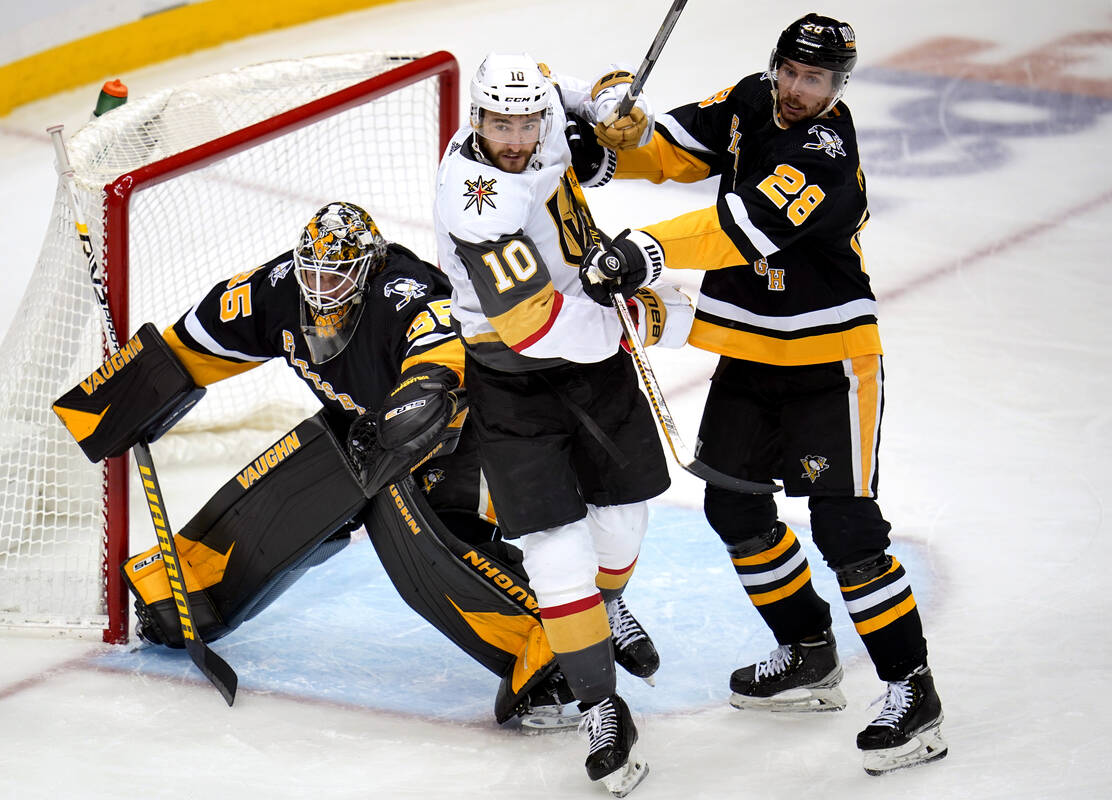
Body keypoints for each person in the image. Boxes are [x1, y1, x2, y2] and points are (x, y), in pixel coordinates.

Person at [584, 13, 948, 776]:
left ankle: (915, 696)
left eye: (815, 79)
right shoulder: (753, 98)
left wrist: (644, 252)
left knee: (847, 531)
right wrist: (620, 132)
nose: (796, 88)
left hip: (831, 361)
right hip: (754, 352)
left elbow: (740, 229)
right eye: (790, 70)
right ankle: (809, 652)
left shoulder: (824, 151)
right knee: (735, 506)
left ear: (839, 86)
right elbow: (678, 150)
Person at [93, 201, 582, 731]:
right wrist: (137, 385)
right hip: (365, 425)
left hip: (456, 428)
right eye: (316, 272)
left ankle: (555, 643)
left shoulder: (405, 289)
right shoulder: (277, 289)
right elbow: (197, 337)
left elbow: (443, 351)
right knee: (299, 484)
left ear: (369, 267)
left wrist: (415, 404)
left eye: (339, 274)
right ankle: (185, 590)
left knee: (424, 542)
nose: (324, 287)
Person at [433, 52, 694, 796]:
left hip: (590, 358)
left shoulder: (538, 101)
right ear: (475, 119)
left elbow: (583, 89)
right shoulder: (474, 199)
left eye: (526, 123)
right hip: (516, 374)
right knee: (555, 553)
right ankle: (601, 707)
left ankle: (609, 606)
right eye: (499, 124)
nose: (514, 138)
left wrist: (613, 106)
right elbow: (532, 323)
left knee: (620, 529)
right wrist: (632, 314)